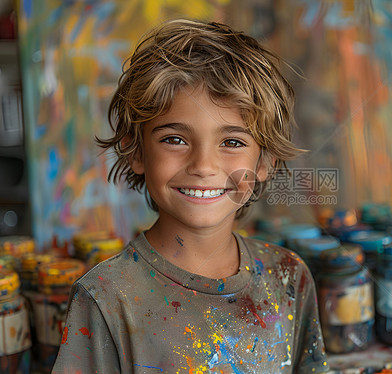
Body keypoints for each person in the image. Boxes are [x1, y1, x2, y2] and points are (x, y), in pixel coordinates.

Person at [52, 18, 329, 373]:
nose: (203, 165)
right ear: (136, 152)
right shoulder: (106, 298)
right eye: (175, 139)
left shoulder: (289, 278)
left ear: (264, 163)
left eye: (232, 142)